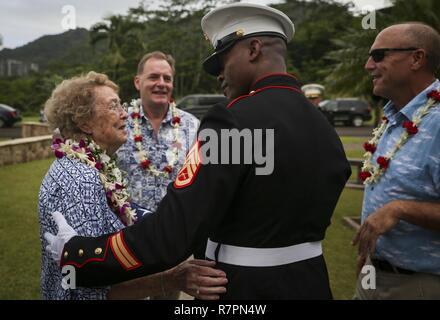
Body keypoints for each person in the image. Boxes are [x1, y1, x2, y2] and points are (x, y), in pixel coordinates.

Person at [45, 3, 351, 299]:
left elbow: (173, 234)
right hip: (311, 282)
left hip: (244, 289)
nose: (218, 75)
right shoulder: (321, 123)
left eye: (222, 61)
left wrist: (80, 255)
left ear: (254, 50)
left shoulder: (234, 121)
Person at [39, 71, 226, 299]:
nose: (124, 114)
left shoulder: (96, 167)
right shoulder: (80, 178)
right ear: (84, 122)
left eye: (122, 105)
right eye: (113, 107)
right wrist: (172, 280)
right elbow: (83, 286)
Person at [353, 22, 440, 299]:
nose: (368, 65)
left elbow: (396, 205)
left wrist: (400, 209)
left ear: (416, 58)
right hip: (373, 273)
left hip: (420, 283)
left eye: (379, 55)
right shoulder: (394, 117)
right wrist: (370, 258)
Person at [116, 51, 200, 299]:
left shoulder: (191, 125)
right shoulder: (117, 122)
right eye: (154, 76)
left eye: (167, 78)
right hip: (125, 238)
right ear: (137, 82)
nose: (161, 83)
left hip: (172, 241)